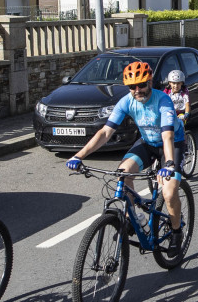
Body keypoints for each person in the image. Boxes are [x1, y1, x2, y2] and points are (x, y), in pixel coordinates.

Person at [66, 61, 186, 256]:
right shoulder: (126, 102)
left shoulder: (163, 100)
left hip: (172, 145)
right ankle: (132, 218)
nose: (137, 90)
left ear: (150, 82)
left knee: (169, 192)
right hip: (147, 142)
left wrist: (170, 163)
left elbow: (167, 135)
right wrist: (79, 156)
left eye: (141, 85)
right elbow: (105, 132)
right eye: (132, 87)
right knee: (123, 174)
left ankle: (176, 231)